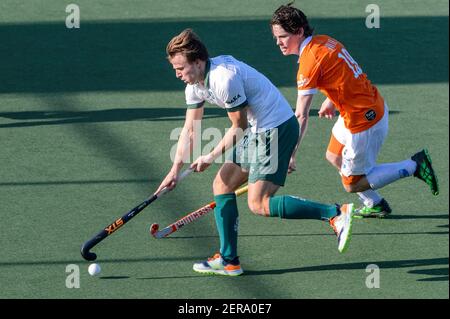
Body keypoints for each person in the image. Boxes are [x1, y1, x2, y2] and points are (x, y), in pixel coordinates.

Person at [155, 28, 355, 276]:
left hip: (276, 129)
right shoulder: (195, 85)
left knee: (259, 203)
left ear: (198, 62)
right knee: (222, 184)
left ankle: (334, 213)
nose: (177, 74)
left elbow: (238, 126)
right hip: (260, 130)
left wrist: (210, 156)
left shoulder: (222, 79)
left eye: (181, 68)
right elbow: (190, 130)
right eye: (175, 69)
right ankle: (229, 261)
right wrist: (174, 171)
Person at [270, 3, 439, 218]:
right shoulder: (324, 41)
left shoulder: (308, 63)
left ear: (299, 31)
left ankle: (415, 165)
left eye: (282, 37)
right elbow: (343, 73)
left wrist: (290, 155)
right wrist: (331, 100)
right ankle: (375, 203)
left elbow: (301, 115)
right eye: (276, 37)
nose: (278, 43)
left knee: (352, 184)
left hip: (363, 121)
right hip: (366, 107)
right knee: (333, 155)